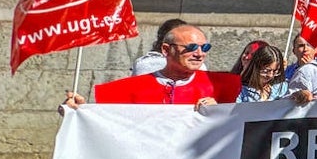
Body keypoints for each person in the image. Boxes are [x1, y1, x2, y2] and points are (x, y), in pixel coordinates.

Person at [66, 24, 240, 107]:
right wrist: (78, 110)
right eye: (192, 48)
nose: (200, 54)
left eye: (205, 47)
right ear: (166, 49)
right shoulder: (128, 89)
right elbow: (103, 126)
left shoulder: (225, 86)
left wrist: (222, 113)